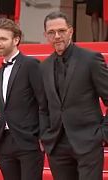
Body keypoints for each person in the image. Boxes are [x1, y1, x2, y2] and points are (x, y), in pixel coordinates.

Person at [40, 11, 108, 180]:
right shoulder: (44, 66)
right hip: (57, 145)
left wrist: (103, 133)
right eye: (51, 32)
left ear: (71, 31)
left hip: (88, 141)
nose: (57, 36)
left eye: (61, 31)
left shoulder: (91, 59)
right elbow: (43, 106)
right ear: (46, 35)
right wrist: (45, 135)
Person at [0, 18, 46, 180]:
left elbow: (43, 102)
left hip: (28, 141)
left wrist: (42, 135)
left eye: (3, 39)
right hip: (4, 142)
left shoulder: (31, 64)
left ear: (16, 40)